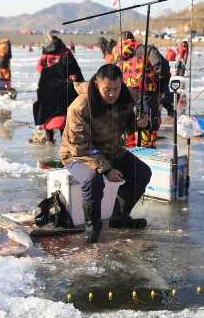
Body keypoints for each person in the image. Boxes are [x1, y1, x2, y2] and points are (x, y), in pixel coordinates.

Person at [60, 64, 152, 243]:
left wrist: (141, 123)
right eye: (107, 90)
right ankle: (92, 227)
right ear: (96, 84)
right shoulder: (80, 107)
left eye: (116, 88)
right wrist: (106, 169)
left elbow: (128, 124)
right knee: (93, 180)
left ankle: (119, 217)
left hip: (112, 150)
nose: (112, 94)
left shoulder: (125, 97)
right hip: (77, 155)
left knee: (142, 172)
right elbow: (80, 147)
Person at [118, 31, 170, 148]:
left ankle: (130, 154)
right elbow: (162, 68)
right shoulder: (148, 50)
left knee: (129, 131)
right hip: (147, 95)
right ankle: (146, 154)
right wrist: (160, 90)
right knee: (148, 131)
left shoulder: (118, 54)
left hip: (125, 98)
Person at [33, 36, 83, 144]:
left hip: (48, 85)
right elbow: (73, 68)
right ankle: (64, 141)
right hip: (62, 86)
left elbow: (39, 66)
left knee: (47, 113)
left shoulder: (46, 52)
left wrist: (47, 73)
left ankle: (50, 140)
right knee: (62, 114)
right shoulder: (66, 52)